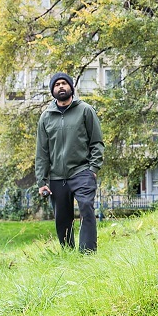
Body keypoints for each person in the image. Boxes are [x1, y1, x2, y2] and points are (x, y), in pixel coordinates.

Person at [36, 72, 104, 253]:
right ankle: (67, 253)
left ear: (71, 87)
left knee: (86, 209)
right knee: (62, 219)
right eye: (57, 84)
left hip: (82, 171)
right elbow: (42, 152)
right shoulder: (46, 117)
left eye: (64, 83)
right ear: (52, 90)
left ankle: (87, 254)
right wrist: (41, 181)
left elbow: (96, 142)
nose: (60, 87)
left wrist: (93, 168)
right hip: (57, 177)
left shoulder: (85, 110)